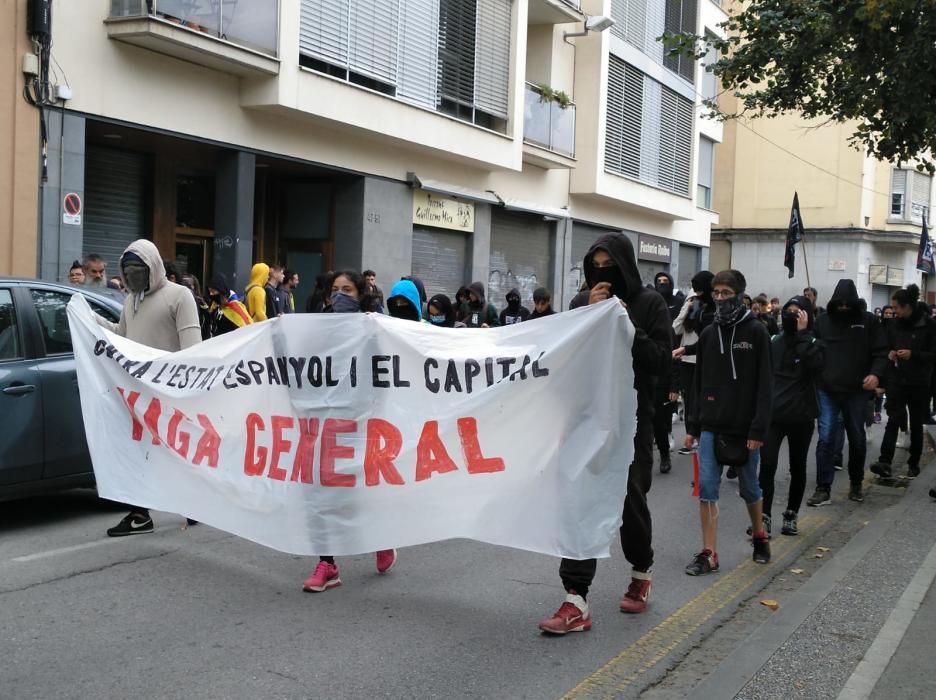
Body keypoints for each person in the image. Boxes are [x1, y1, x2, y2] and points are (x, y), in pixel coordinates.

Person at [539, 233, 671, 634]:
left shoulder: (650, 304)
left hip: (631, 422)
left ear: (625, 265)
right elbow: (564, 359)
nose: (602, 273)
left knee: (629, 502)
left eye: (609, 265)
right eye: (595, 266)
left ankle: (641, 570)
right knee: (580, 504)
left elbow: (660, 362)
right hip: (585, 420)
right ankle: (576, 598)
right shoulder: (581, 303)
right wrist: (590, 318)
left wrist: (624, 323)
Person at [99, 240, 202, 536]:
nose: (132, 277)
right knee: (140, 450)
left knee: (176, 450)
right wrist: (87, 319)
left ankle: (197, 500)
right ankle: (140, 513)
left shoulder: (179, 296)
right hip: (139, 391)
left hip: (171, 392)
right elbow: (121, 334)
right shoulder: (131, 300)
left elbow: (192, 347)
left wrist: (186, 389)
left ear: (153, 267)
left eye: (138, 270)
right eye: (127, 271)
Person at [302, 270, 395, 593]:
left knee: (358, 485)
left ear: (361, 293)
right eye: (336, 289)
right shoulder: (320, 326)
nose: (341, 295)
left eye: (348, 290)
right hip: (327, 416)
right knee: (320, 487)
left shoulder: (373, 326)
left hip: (361, 417)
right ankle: (327, 563)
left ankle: (381, 537)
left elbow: (385, 371)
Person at [683, 270, 773, 576]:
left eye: (726, 293)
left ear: (739, 293)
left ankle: (759, 535)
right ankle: (709, 552)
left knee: (749, 487)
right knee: (707, 488)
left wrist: (759, 429)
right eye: (716, 293)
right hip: (711, 424)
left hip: (745, 427)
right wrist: (692, 427)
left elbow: (765, 385)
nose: (720, 298)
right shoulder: (708, 334)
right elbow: (698, 382)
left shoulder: (757, 332)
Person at [807, 279, 887, 506]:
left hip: (857, 390)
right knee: (825, 439)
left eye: (847, 304)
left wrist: (876, 375)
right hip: (827, 389)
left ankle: (856, 483)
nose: (843, 308)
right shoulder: (822, 322)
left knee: (857, 438)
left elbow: (881, 352)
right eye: (839, 304)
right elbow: (811, 351)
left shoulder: (869, 322)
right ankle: (823, 488)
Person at [758, 296, 823, 537]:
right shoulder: (774, 340)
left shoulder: (814, 342)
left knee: (798, 466)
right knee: (767, 465)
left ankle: (791, 514)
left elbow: (817, 366)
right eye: (788, 311)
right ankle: (763, 516)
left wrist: (805, 335)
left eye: (798, 312)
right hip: (774, 415)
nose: (791, 315)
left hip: (801, 416)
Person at [869, 284, 936, 480]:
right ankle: (885, 461)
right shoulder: (894, 325)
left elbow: (933, 355)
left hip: (919, 382)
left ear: (907, 307)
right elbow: (886, 347)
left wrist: (912, 354)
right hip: (897, 380)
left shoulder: (929, 325)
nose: (894, 311)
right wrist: (890, 354)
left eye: (897, 308)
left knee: (915, 423)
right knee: (894, 419)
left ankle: (913, 463)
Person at [672, 271, 716, 456]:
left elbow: (708, 338)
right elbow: (676, 328)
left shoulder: (715, 309)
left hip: (706, 361)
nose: (698, 294)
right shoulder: (695, 305)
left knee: (703, 400)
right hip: (688, 360)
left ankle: (701, 438)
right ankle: (692, 436)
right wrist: (687, 309)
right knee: (690, 400)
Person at [652, 271, 683, 474]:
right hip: (642, 381)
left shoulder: (668, 331)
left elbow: (673, 359)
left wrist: (674, 386)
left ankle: (664, 455)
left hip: (661, 383)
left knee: (660, 425)